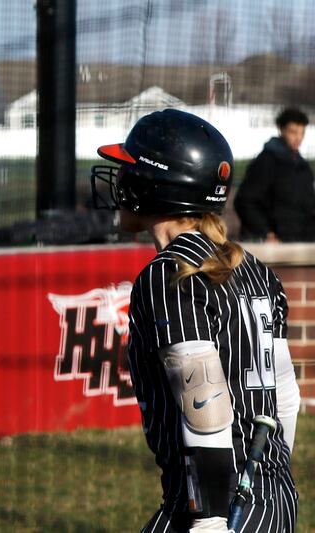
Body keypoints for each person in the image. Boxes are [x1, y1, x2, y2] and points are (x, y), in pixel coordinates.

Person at [91, 109, 300, 532]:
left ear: (157, 184)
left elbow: (204, 402)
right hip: (271, 496)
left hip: (213, 505)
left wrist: (209, 521)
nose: (120, 180)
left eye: (129, 170)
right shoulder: (257, 269)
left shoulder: (169, 274)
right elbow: (286, 398)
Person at [234, 107, 315, 242]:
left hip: (302, 244)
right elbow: (245, 201)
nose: (298, 137)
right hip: (274, 246)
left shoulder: (304, 168)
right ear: (281, 130)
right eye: (293, 132)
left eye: (302, 132)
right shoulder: (266, 162)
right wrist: (266, 233)